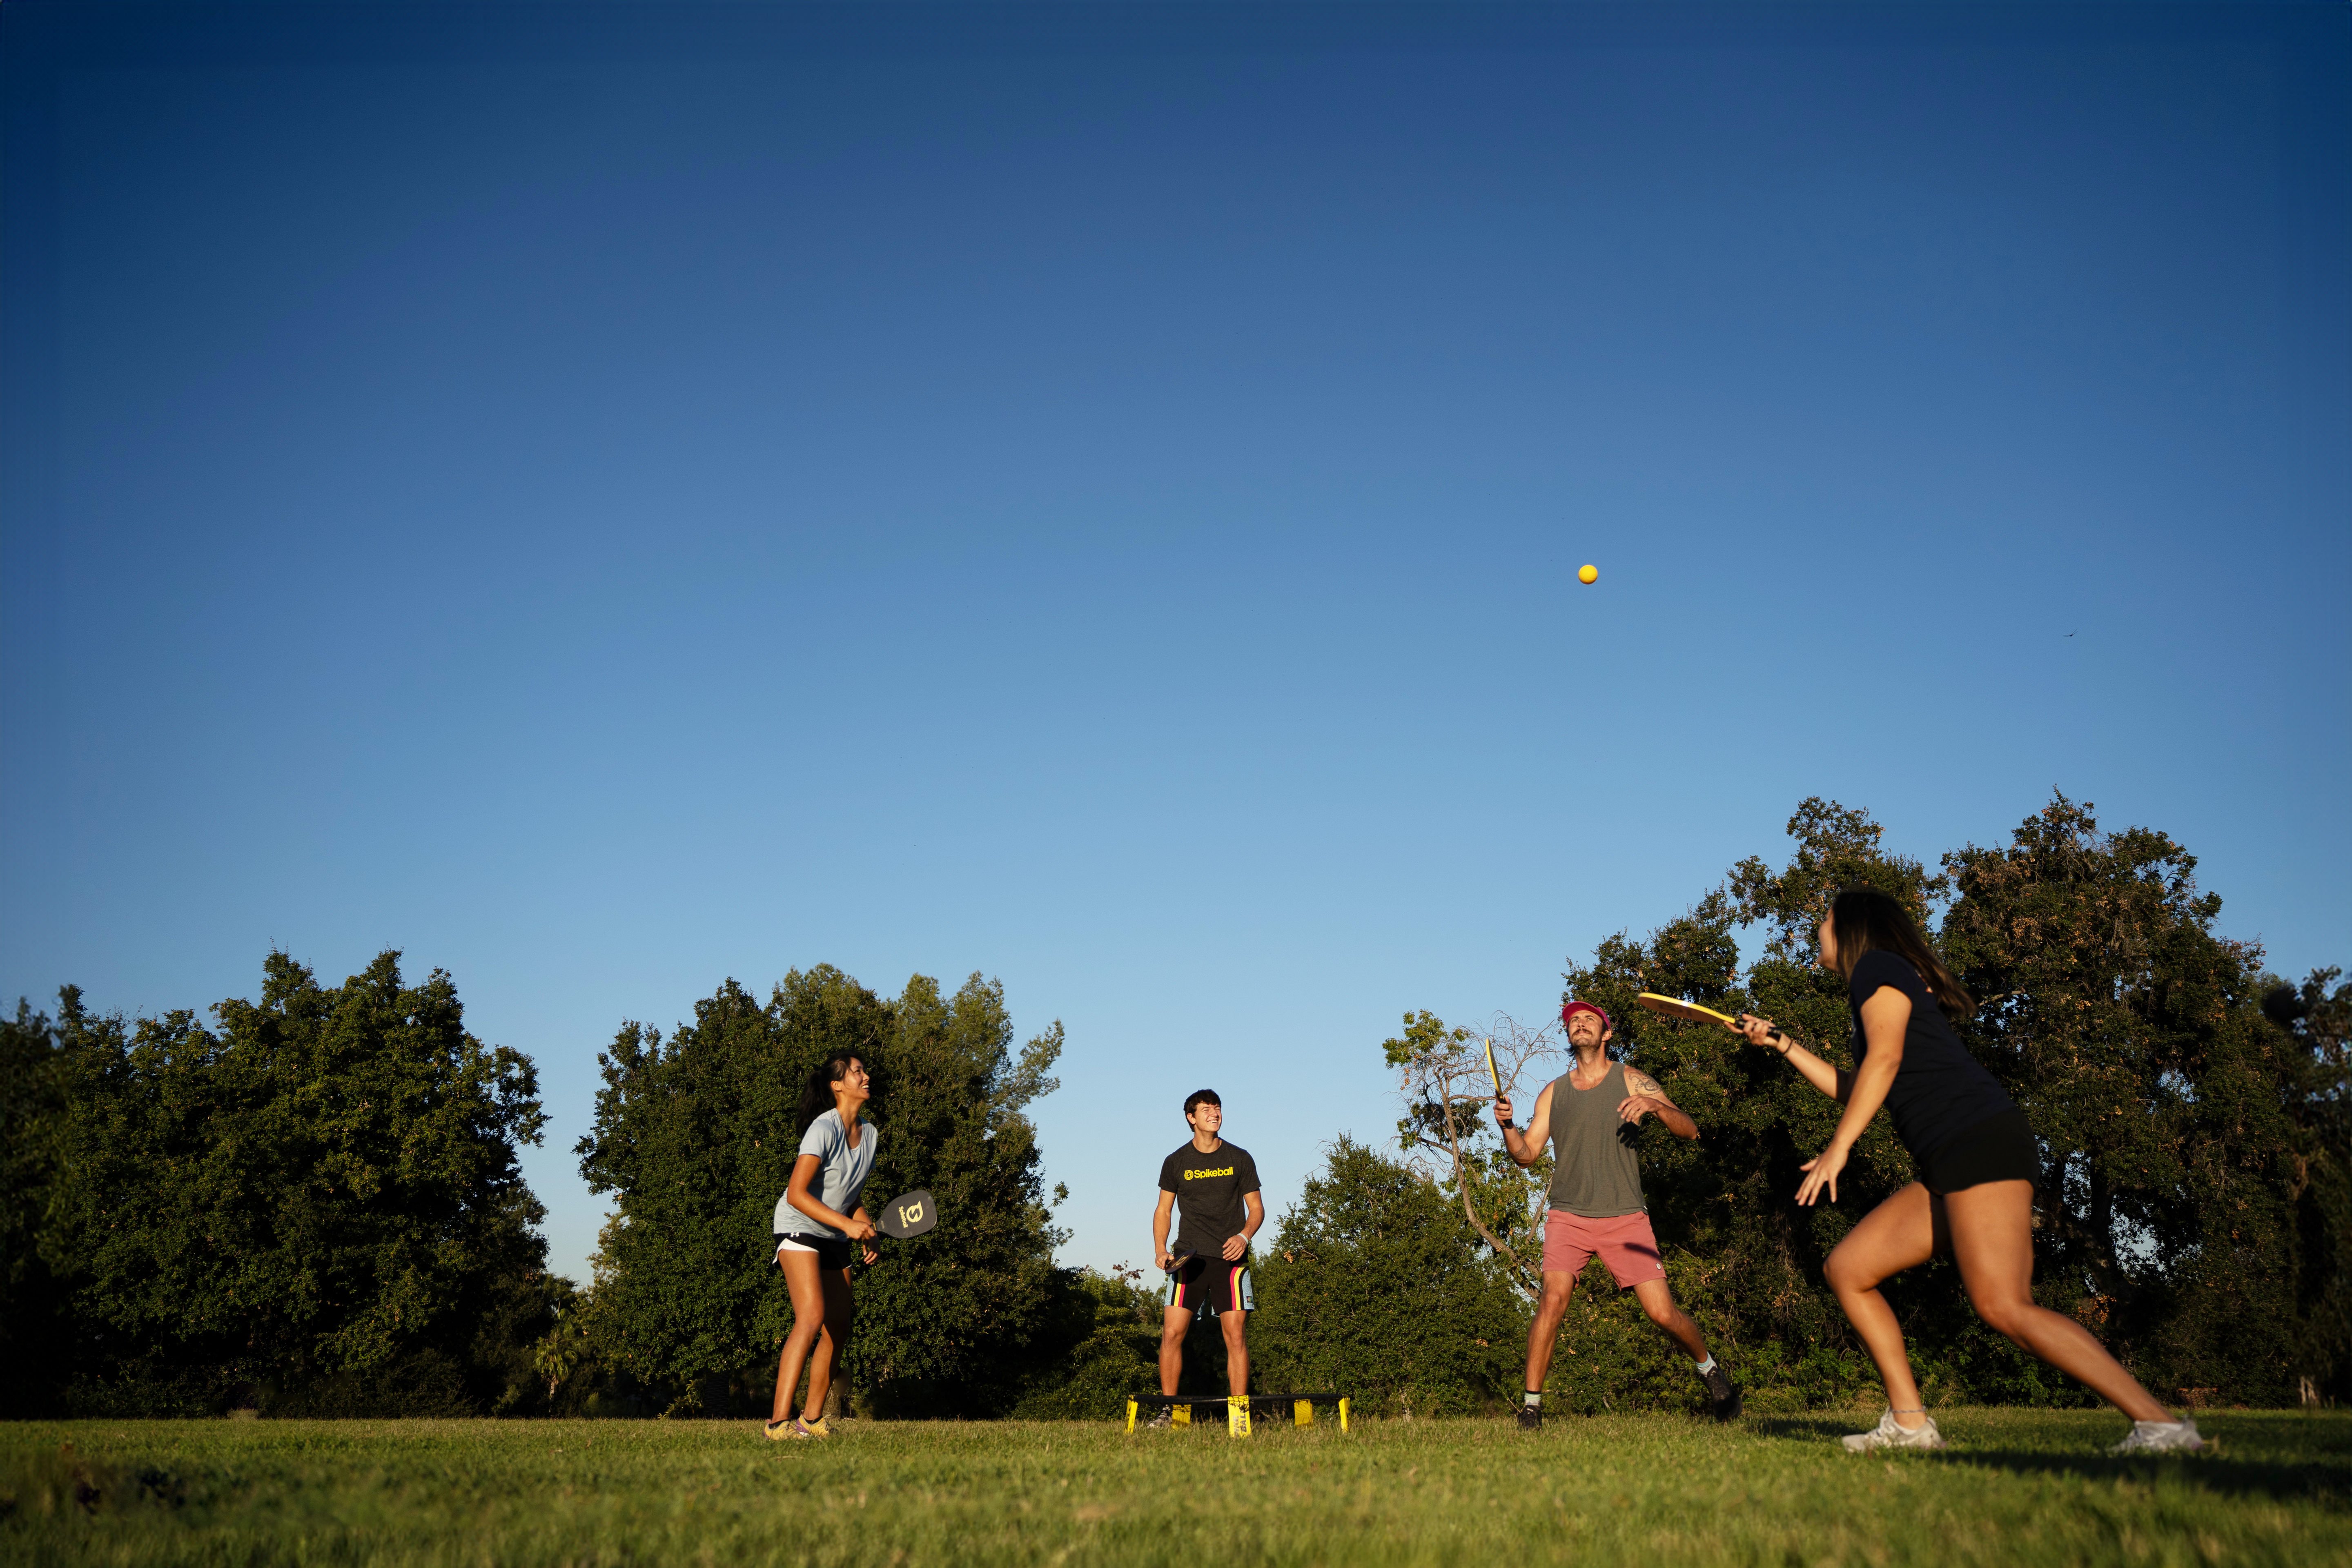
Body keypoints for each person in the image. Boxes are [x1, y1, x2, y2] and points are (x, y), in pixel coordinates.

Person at [1734, 885, 2205, 1454]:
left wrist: (1840, 1148)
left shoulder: (1877, 968)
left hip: (1976, 1141)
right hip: (1949, 1155)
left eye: (1824, 920)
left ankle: (2160, 1426)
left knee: (2004, 1305)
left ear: (1854, 928)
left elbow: (1886, 1061)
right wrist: (1781, 1042)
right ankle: (1910, 1426)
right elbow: (1861, 1085)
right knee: (1849, 1268)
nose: (1818, 930)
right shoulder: (1882, 980)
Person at [1495, 1000, 1742, 1429]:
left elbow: (1689, 1127)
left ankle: (1710, 1371)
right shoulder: (1554, 1092)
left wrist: (1656, 1108)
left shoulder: (1631, 1079)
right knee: (1551, 1301)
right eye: (1574, 1021)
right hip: (1569, 1217)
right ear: (1569, 1036)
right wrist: (1508, 1127)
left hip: (1625, 1216)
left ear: (1606, 1034)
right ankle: (1531, 1408)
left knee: (1662, 1313)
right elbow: (1527, 1155)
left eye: (1589, 1019)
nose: (1580, 1024)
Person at [766, 1052, 882, 1440]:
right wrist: (848, 1224)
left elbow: (851, 1194)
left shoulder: (871, 1135)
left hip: (833, 1231)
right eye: (858, 1072)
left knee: (839, 1328)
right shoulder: (823, 1128)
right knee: (812, 1316)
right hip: (798, 1225)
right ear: (838, 1085)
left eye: (864, 1071)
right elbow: (798, 1194)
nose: (866, 1076)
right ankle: (777, 1423)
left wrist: (865, 1226)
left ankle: (810, 1420)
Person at [1145, 1089, 1263, 1428]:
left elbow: (1256, 1209)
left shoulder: (1240, 1158)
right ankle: (1168, 1412)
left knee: (1236, 1336)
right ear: (1191, 1118)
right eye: (1206, 1108)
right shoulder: (1176, 1161)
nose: (1214, 1112)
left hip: (1231, 1260)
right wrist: (1160, 1250)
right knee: (1171, 1334)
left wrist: (1244, 1237)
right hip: (1189, 1259)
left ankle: (1240, 1416)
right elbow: (1163, 1210)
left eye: (1218, 1107)